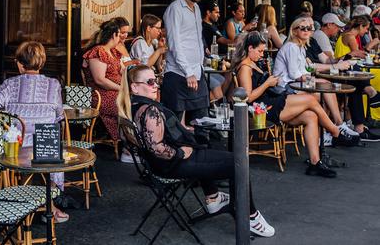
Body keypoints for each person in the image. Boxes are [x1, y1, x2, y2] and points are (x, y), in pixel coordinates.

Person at [117, 65, 275, 237]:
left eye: (156, 80)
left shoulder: (131, 107)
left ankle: (213, 197)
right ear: (134, 87)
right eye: (150, 82)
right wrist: (179, 152)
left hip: (159, 166)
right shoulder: (149, 111)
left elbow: (136, 141)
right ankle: (251, 217)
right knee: (237, 163)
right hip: (173, 165)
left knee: (206, 146)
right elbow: (156, 147)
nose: (155, 84)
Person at [234, 33, 356, 177]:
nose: (262, 54)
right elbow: (247, 97)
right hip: (261, 109)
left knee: (311, 116)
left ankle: (315, 163)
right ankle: (336, 132)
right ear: (250, 48)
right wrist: (267, 83)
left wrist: (273, 82)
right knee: (310, 99)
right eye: (260, 51)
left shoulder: (254, 63)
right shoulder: (245, 68)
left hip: (271, 101)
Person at [0, 41, 69, 223]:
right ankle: (50, 205)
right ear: (42, 63)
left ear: (19, 64)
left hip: (17, 147)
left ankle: (18, 202)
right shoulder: (54, 84)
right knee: (52, 135)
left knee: (19, 136)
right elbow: (60, 115)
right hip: (45, 148)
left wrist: (7, 121)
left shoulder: (10, 84)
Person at [273, 18, 360, 142]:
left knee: (327, 87)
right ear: (294, 31)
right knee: (322, 92)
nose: (306, 30)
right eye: (302, 28)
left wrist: (316, 78)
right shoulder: (291, 47)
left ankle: (332, 129)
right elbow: (294, 75)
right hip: (286, 88)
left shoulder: (300, 47)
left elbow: (305, 71)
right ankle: (328, 131)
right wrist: (316, 80)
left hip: (296, 84)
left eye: (309, 28)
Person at [161, 0, 210, 124]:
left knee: (202, 123)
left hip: (197, 72)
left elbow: (195, 39)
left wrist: (200, 64)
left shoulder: (196, 9)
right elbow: (175, 44)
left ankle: (200, 148)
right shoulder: (174, 9)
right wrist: (188, 72)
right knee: (174, 126)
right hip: (178, 74)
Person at [82, 20, 123, 159]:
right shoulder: (98, 51)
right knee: (129, 106)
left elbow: (121, 70)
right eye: (120, 34)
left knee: (138, 101)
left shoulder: (113, 52)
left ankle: (133, 143)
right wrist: (122, 89)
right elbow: (100, 80)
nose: (122, 37)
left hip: (115, 92)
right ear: (114, 35)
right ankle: (130, 146)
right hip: (101, 95)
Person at [198, 0, 232, 101]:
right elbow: (225, 41)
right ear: (208, 13)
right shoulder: (205, 27)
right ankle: (219, 105)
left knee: (224, 78)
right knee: (218, 82)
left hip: (209, 62)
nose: (219, 15)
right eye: (216, 12)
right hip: (202, 66)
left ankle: (218, 103)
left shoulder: (212, 26)